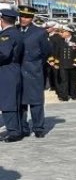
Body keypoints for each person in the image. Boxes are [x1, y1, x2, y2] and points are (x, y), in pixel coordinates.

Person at [15, 7, 50, 138]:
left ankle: (38, 127)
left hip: (33, 70)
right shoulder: (14, 30)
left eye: (27, 17)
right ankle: (23, 127)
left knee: (36, 101)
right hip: (18, 70)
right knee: (20, 102)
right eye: (22, 16)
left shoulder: (39, 32)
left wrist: (36, 63)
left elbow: (46, 50)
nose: (24, 19)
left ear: (32, 18)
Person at [0, 7, 26, 141]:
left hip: (6, 70)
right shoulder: (16, 33)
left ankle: (14, 132)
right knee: (14, 100)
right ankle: (18, 129)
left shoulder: (7, 35)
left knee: (7, 101)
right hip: (14, 69)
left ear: (2, 20)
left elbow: (3, 54)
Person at [49, 25, 76, 101]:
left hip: (73, 64)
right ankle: (64, 96)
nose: (61, 33)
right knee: (64, 80)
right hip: (63, 64)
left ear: (68, 32)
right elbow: (56, 53)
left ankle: (73, 94)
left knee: (73, 80)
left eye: (63, 32)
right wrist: (55, 63)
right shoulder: (60, 41)